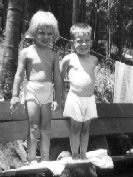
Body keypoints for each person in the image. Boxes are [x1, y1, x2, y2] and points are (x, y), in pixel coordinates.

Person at [10, 11, 62, 163]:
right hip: (31, 90)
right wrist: (14, 95)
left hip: (47, 91)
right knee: (34, 127)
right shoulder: (26, 52)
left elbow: (57, 78)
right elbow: (19, 75)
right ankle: (31, 159)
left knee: (46, 128)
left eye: (49, 34)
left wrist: (57, 98)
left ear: (54, 34)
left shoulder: (54, 55)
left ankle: (45, 159)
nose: (45, 37)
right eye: (41, 33)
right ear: (33, 32)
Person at [60, 23, 98, 160]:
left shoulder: (94, 60)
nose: (83, 44)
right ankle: (75, 155)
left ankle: (83, 154)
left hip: (89, 99)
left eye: (87, 41)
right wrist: (62, 96)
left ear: (91, 42)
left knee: (86, 128)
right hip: (74, 98)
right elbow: (59, 78)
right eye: (79, 41)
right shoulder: (68, 59)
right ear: (72, 42)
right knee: (75, 128)